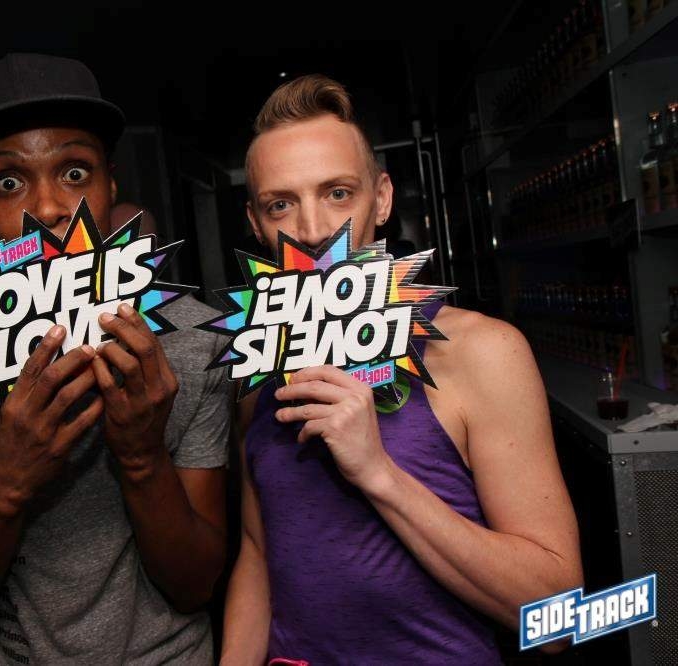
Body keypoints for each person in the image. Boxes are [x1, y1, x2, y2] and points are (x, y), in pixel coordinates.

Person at [0, 53, 231, 664]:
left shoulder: (192, 339)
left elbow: (196, 586)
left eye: (75, 173)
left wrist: (141, 457)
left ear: (111, 186)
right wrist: (7, 484)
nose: (49, 208)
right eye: (8, 182)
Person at [221, 75, 583, 664]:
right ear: (256, 224)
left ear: (383, 199)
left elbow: (559, 618)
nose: (313, 230)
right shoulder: (255, 368)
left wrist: (379, 474)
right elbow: (259, 555)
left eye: (338, 193)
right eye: (280, 204)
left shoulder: (482, 351)